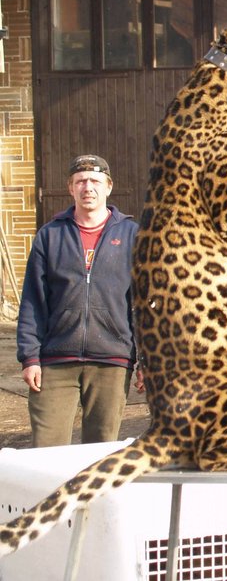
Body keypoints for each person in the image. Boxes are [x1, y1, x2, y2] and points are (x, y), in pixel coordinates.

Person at [16, 154, 143, 447]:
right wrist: (30, 357)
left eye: (95, 181)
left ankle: (93, 497)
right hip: (55, 361)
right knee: (46, 453)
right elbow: (33, 300)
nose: (88, 187)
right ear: (70, 188)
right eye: (81, 181)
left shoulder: (132, 236)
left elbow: (144, 304)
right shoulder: (50, 236)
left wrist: (145, 360)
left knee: (99, 451)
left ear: (109, 187)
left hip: (112, 360)